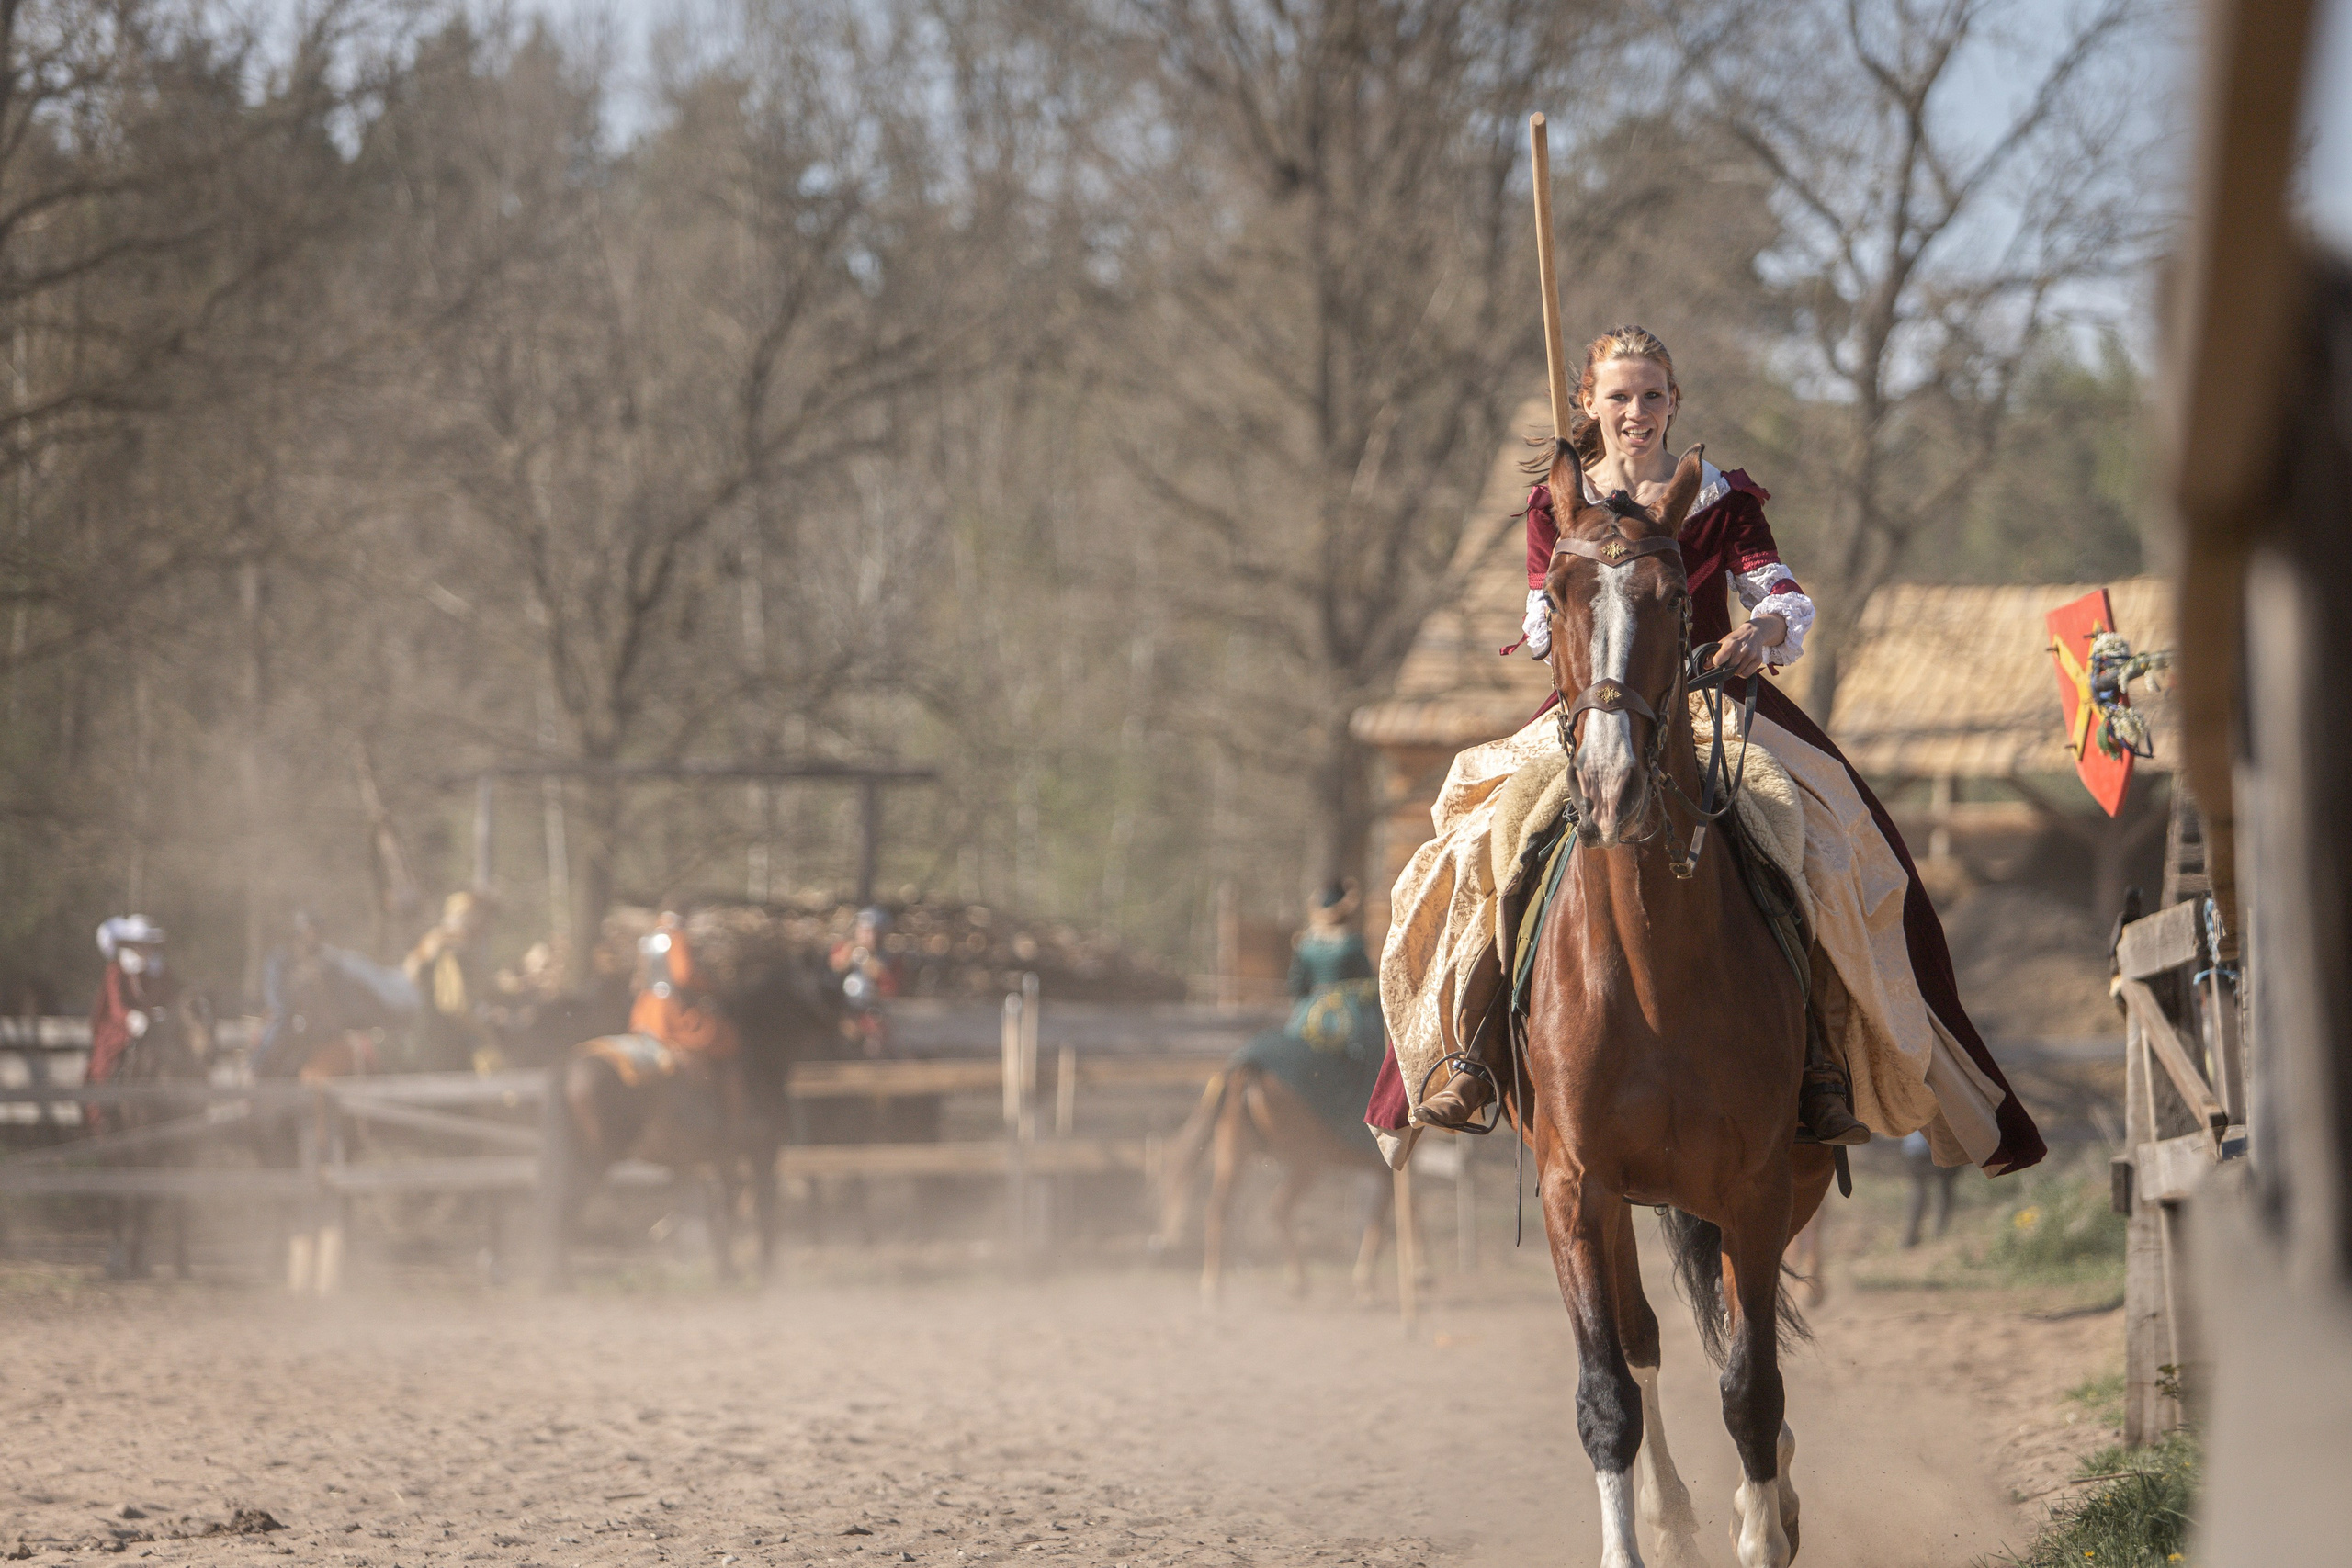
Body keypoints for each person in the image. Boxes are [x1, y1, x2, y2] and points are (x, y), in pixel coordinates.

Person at [1385, 324, 2044, 1177]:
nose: (1636, 412)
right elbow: (1544, 627)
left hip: (1716, 701)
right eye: (1618, 396)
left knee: (1826, 839)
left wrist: (1761, 632)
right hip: (1597, 707)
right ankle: (1471, 1052)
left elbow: (1778, 593)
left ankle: (1816, 1063)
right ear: (1588, 402)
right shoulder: (1558, 504)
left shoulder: (1721, 498)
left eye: (1652, 395)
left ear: (1674, 403)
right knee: (1481, 840)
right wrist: (1575, 592)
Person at [1232, 881, 1388, 1139]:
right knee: (1373, 1058)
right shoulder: (1352, 943)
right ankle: (1366, 1127)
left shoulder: (1305, 944)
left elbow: (1296, 986)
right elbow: (1367, 981)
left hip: (1309, 1015)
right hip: (1348, 1017)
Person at [86, 915, 175, 1125]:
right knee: (108, 1064)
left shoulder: (159, 971)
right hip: (118, 1029)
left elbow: (167, 996)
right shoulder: (117, 970)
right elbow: (116, 1007)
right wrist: (132, 1018)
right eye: (142, 945)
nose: (146, 950)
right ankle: (103, 1112)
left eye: (149, 945)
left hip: (153, 1028)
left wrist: (160, 1013)